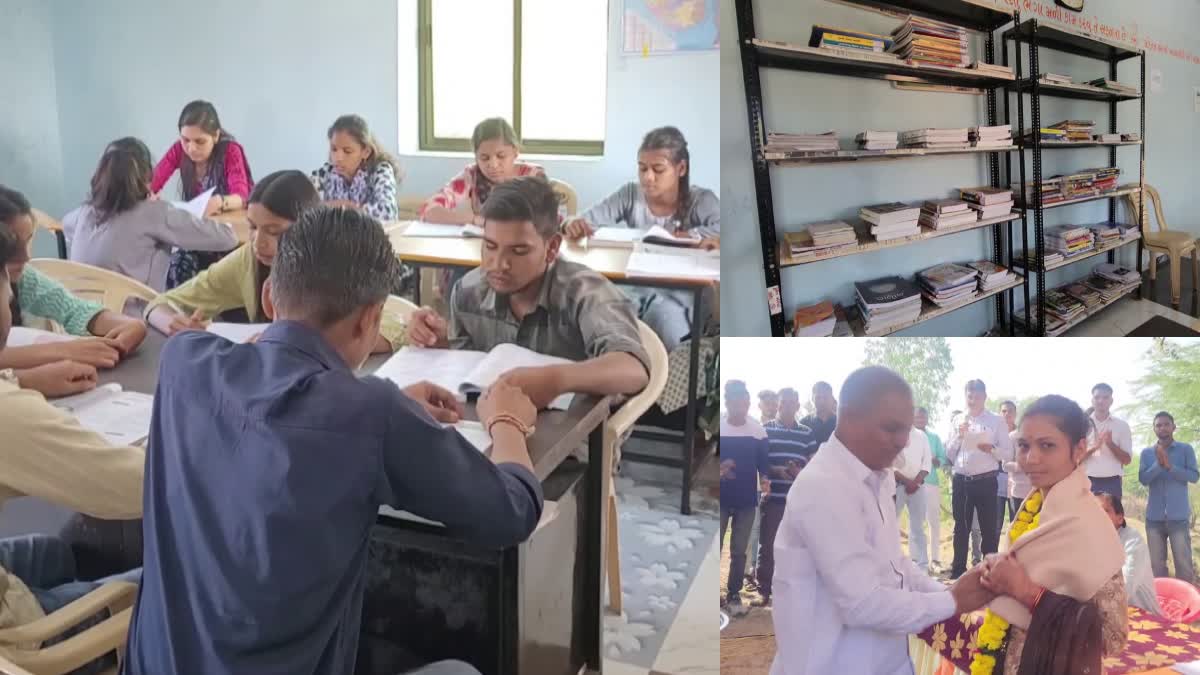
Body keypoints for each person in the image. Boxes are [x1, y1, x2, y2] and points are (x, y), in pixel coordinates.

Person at [123, 206, 540, 675]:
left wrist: (378, 405)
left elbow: (270, 399)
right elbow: (512, 512)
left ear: (267, 297)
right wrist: (507, 421)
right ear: (370, 319)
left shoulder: (183, 362)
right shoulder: (371, 414)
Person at [769, 366, 995, 675]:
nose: (903, 441)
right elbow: (862, 604)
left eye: (906, 429)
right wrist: (953, 602)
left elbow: (895, 565)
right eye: (891, 429)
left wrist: (948, 595)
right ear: (849, 419)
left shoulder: (878, 474)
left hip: (889, 660)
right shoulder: (824, 485)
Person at [0, 223, 144, 635]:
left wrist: (22, 379)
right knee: (177, 583)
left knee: (56, 553)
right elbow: (129, 484)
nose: (12, 298)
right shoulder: (7, 414)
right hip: (15, 636)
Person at [405, 176, 650, 409]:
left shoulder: (587, 294)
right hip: (493, 426)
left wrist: (555, 380)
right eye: (490, 246)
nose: (498, 264)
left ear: (552, 247)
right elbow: (469, 368)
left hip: (573, 440)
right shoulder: (468, 292)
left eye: (519, 251)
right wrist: (439, 342)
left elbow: (633, 368)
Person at [143, 171, 406, 354]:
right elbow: (160, 303)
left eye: (275, 231)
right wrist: (172, 323)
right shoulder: (248, 260)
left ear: (309, 229)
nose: (259, 242)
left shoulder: (329, 262)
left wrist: (284, 344)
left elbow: (397, 324)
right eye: (253, 228)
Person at [973, 395, 1127, 675]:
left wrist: (1028, 593)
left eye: (1047, 445)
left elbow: (1113, 637)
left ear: (1079, 449)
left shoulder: (1088, 524)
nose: (1031, 458)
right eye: (1023, 445)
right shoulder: (1033, 506)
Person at [562, 127, 719, 351]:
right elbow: (585, 219)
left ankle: (664, 382)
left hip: (684, 292)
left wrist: (694, 235)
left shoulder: (702, 200)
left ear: (681, 168)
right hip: (639, 284)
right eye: (642, 168)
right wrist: (571, 224)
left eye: (658, 169)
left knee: (662, 321)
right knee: (604, 309)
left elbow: (725, 229)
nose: (648, 177)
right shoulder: (630, 194)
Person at [0, 185, 147, 394]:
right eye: (12, 246)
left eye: (29, 240)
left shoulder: (23, 277)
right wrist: (62, 352)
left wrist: (130, 325)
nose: (25, 256)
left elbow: (71, 308)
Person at [63, 137, 239, 291]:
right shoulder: (155, 213)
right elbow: (227, 238)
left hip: (82, 321)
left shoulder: (84, 212)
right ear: (146, 176)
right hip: (136, 322)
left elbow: (66, 226)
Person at [151, 100, 254, 288]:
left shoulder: (230, 151)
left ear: (215, 136)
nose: (191, 148)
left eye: (200, 141)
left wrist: (219, 202)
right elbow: (153, 182)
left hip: (229, 236)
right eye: (185, 140)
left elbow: (242, 196)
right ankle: (179, 315)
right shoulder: (178, 150)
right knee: (176, 263)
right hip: (200, 231)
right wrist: (150, 195)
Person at [946, 379, 1013, 580]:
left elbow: (1008, 453)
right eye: (969, 396)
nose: (972, 400)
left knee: (988, 528)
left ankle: (989, 571)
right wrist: (959, 436)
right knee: (961, 527)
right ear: (965, 396)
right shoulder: (958, 420)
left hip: (986, 480)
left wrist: (991, 449)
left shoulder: (996, 421)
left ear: (985, 397)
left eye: (977, 396)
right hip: (961, 480)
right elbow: (949, 454)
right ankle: (958, 570)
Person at [758, 388, 817, 607]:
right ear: (778, 404)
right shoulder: (765, 430)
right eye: (785, 402)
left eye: (793, 403)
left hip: (799, 500)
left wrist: (797, 472)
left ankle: (792, 589)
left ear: (798, 406)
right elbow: (761, 462)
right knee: (769, 544)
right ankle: (764, 590)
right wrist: (776, 470)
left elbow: (813, 464)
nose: (789, 406)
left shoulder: (807, 433)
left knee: (797, 547)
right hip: (774, 497)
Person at [720, 380, 770, 618]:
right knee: (715, 548)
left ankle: (733, 594)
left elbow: (764, 467)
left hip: (747, 502)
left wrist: (766, 483)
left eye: (745, 402)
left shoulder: (758, 432)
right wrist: (720, 469)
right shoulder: (718, 428)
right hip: (719, 499)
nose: (741, 406)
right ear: (727, 402)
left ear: (748, 403)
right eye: (735, 401)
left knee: (739, 551)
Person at [1138, 411, 1198, 584]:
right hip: (1154, 519)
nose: (1162, 428)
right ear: (1154, 429)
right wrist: (1158, 464)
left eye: (1166, 424)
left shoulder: (1185, 449)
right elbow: (1143, 479)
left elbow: (1193, 476)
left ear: (1173, 427)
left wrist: (1170, 467)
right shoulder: (1147, 453)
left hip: (1178, 518)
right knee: (1156, 567)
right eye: (1158, 425)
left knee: (1184, 566)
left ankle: (1187, 607)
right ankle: (1161, 604)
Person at [311, 114, 401, 221]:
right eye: (334, 149)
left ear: (366, 152)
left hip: (372, 236)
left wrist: (347, 208)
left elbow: (388, 212)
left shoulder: (380, 170)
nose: (338, 158)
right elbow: (300, 204)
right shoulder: (326, 172)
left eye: (347, 151)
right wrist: (339, 205)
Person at [1097, 492, 1164, 616]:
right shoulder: (1092, 540)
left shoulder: (1133, 542)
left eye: (1105, 511)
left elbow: (1126, 589)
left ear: (1120, 518)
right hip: (1106, 612)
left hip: (1143, 616)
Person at [894, 420, 932, 572]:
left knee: (918, 527)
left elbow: (927, 463)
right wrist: (906, 481)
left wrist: (915, 482)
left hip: (918, 487)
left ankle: (922, 566)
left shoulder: (921, 436)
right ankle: (892, 564)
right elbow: (889, 463)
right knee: (889, 526)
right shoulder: (892, 432)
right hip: (895, 486)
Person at [915, 406, 948, 574]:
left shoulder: (934, 438)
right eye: (917, 417)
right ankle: (918, 560)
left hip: (931, 483)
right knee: (916, 523)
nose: (920, 420)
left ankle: (935, 559)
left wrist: (937, 461)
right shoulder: (907, 437)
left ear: (927, 419)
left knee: (933, 522)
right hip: (912, 484)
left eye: (923, 417)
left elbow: (943, 459)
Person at [1085, 383, 1133, 498]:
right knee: (1085, 516)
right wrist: (1094, 448)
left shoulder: (1122, 426)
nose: (1100, 401)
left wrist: (1110, 444)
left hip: (1112, 483)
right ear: (1092, 400)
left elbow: (1126, 460)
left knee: (1111, 517)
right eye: (1097, 397)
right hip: (1085, 481)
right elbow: (1074, 458)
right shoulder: (1081, 424)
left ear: (1111, 400)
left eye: (1105, 397)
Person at [1001, 403, 1032, 528]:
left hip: (1037, 491)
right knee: (1017, 529)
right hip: (1017, 492)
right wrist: (1021, 466)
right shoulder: (1012, 437)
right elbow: (1005, 465)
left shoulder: (1040, 436)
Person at [995, 400, 1017, 528]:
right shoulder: (993, 434)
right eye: (1004, 411)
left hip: (1016, 485)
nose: (1007, 414)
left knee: (1017, 523)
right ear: (999, 413)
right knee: (995, 525)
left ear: (1015, 414)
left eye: (1010, 411)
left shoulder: (1021, 435)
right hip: (997, 484)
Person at [799, 380, 837, 445]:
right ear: (812, 399)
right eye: (818, 397)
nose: (822, 401)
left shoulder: (840, 424)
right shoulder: (803, 424)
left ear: (831, 398)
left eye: (825, 397)